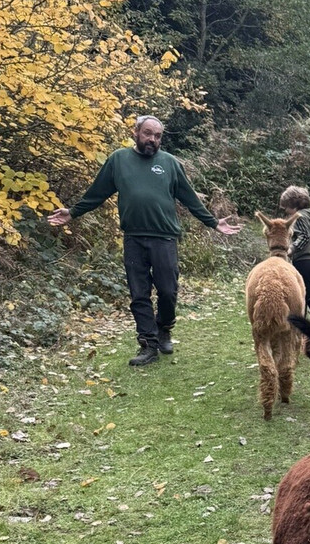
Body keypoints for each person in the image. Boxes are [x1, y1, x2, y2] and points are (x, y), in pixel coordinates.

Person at [47, 115, 242, 367]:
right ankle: (148, 344)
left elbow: (189, 198)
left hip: (164, 238)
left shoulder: (170, 164)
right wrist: (73, 212)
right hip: (134, 239)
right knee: (139, 294)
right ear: (136, 132)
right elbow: (97, 192)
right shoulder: (118, 160)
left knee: (168, 291)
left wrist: (213, 222)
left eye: (158, 136)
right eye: (148, 133)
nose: (152, 140)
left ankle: (164, 328)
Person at [279, 185, 310, 320]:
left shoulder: (299, 217)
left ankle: (300, 335)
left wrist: (290, 250)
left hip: (305, 263)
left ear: (293, 205)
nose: (286, 211)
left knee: (300, 300)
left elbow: (304, 237)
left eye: (286, 207)